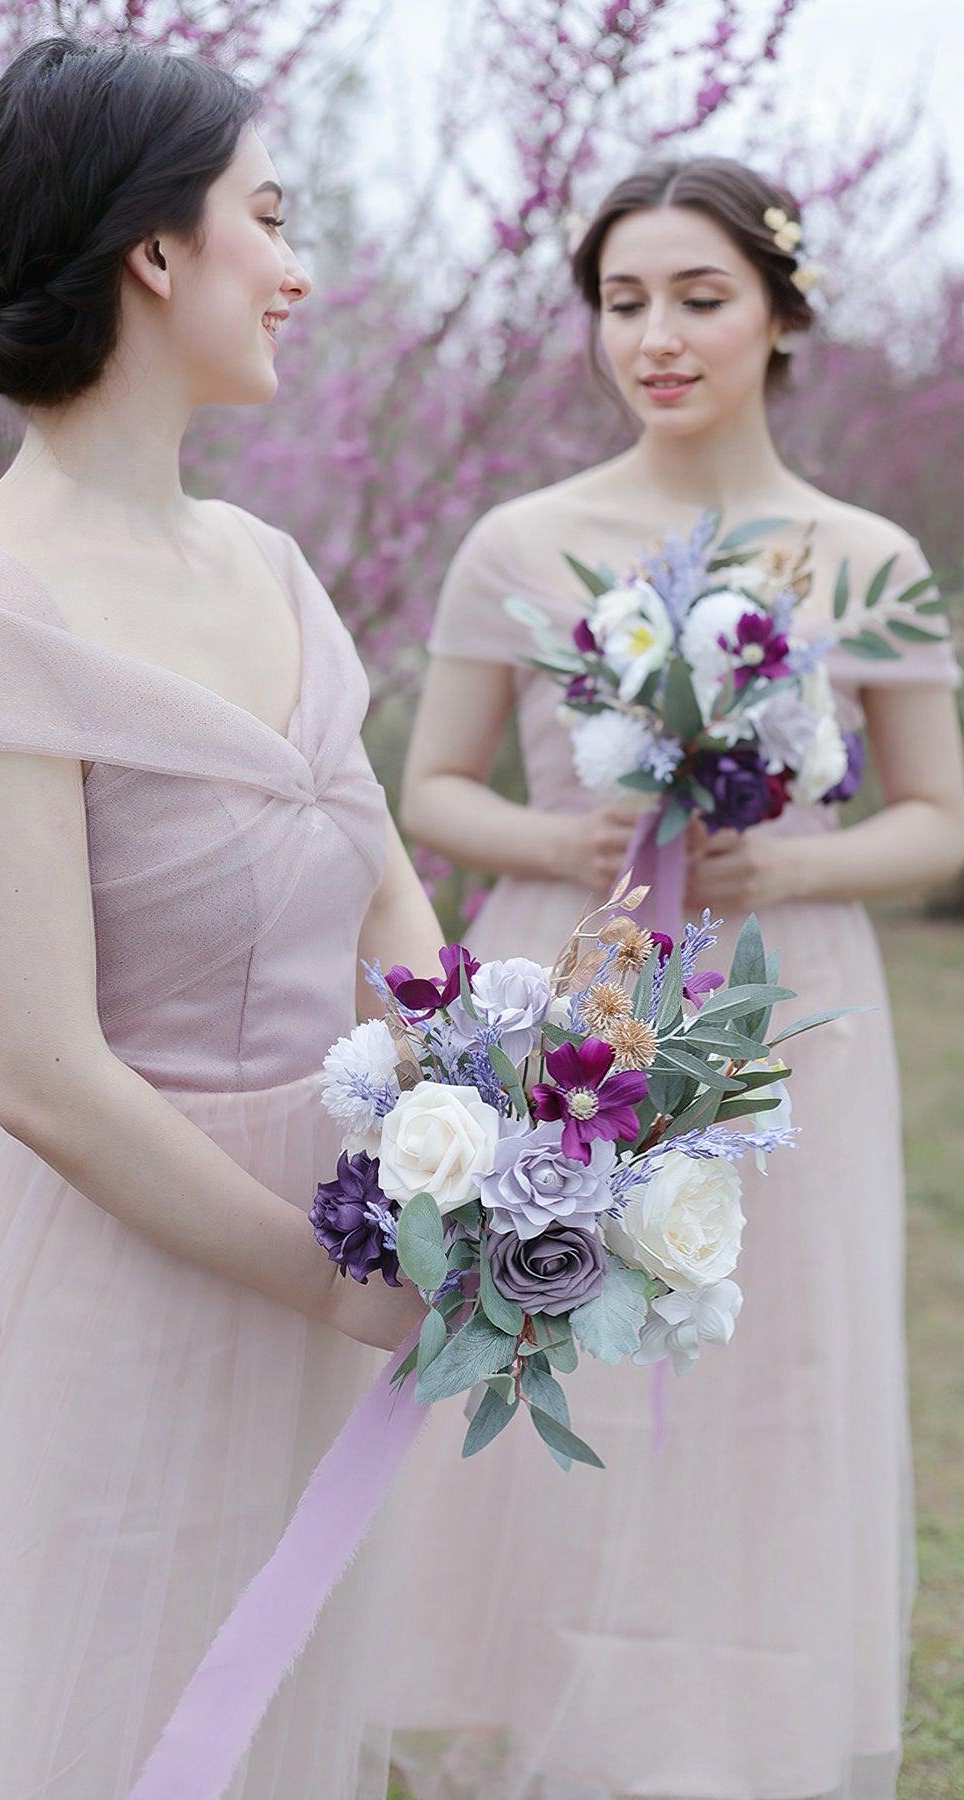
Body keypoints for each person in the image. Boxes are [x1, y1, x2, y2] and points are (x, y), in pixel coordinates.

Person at [0, 36, 440, 1800]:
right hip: (129, 1275)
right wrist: (340, 1288)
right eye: (270, 218)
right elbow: (45, 1074)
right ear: (158, 251)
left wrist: (500, 1107)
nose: (298, 270)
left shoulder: (273, 567)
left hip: (336, 1233)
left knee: (273, 1725)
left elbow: (383, 877)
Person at [392, 156, 964, 1799]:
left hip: (782, 1010)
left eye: (699, 298)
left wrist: (783, 863)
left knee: (760, 1367)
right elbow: (434, 787)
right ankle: (509, 1712)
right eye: (623, 301)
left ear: (781, 315)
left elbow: (936, 816)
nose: (656, 334)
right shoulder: (523, 539)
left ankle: (720, 1745)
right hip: (562, 991)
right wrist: (558, 841)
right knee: (546, 1329)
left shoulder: (865, 558)